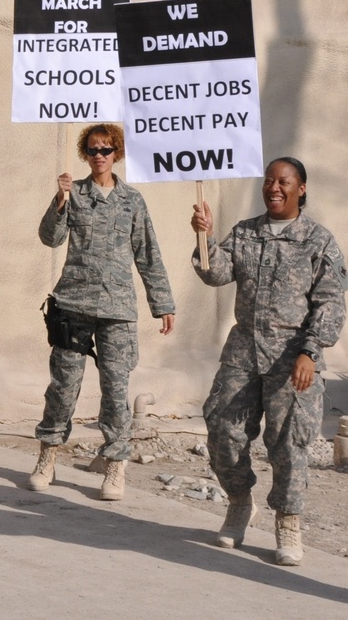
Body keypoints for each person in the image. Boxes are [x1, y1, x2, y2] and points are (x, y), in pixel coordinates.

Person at [190, 157, 347, 566]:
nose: (274, 188)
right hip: (243, 350)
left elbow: (330, 303)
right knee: (222, 427)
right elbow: (216, 274)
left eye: (284, 182)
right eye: (269, 181)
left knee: (289, 443)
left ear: (302, 189)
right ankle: (240, 502)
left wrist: (310, 352)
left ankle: (288, 521)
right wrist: (205, 238)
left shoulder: (319, 241)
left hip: (292, 356)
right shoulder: (246, 232)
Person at [29, 123, 175, 500]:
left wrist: (163, 305)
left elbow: (148, 254)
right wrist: (59, 201)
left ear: (117, 154)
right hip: (74, 304)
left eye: (106, 150)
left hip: (117, 309)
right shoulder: (73, 193)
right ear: (84, 153)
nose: (99, 156)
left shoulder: (132, 201)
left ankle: (115, 465)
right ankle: (47, 456)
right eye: (93, 150)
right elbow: (50, 238)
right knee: (63, 388)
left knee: (115, 390)